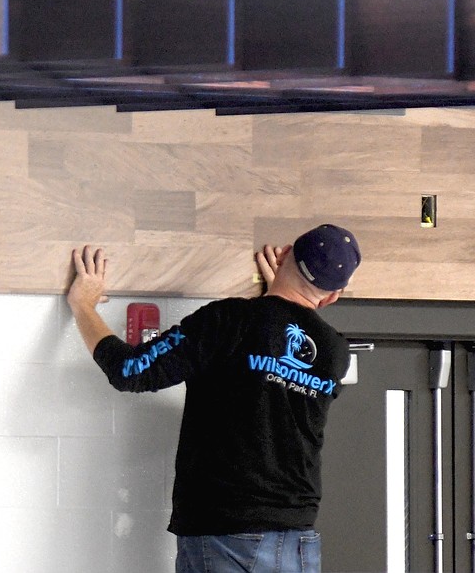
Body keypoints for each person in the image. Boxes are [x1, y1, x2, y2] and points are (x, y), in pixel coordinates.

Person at [66, 224, 361, 573]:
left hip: (225, 533)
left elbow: (131, 370)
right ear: (332, 296)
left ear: (282, 255)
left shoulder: (228, 321)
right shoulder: (335, 351)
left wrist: (83, 304)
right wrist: (273, 302)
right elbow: (274, 370)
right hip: (296, 540)